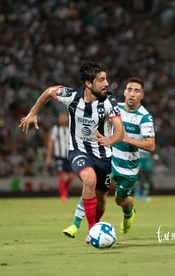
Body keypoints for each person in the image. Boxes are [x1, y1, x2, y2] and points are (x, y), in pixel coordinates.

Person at [19, 61, 124, 235]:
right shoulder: (72, 96)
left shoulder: (109, 102)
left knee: (101, 200)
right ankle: (91, 232)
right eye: (101, 80)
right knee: (89, 180)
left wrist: (111, 139)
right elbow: (49, 92)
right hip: (78, 150)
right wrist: (33, 113)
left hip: (104, 155)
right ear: (88, 84)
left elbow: (120, 130)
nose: (106, 83)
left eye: (106, 79)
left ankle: (95, 226)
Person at [62, 77, 155, 240]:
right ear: (124, 92)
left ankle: (128, 211)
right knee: (90, 183)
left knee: (121, 200)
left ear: (142, 95)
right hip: (108, 159)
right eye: (129, 89)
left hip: (128, 167)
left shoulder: (145, 117)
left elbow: (151, 145)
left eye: (137, 91)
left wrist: (126, 138)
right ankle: (76, 225)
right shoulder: (113, 107)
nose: (132, 94)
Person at [44, 112, 76, 202]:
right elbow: (51, 143)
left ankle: (64, 190)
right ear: (58, 119)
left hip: (69, 156)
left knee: (71, 175)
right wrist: (49, 156)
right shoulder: (55, 129)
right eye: (61, 117)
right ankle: (63, 195)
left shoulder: (70, 129)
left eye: (64, 117)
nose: (63, 118)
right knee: (61, 175)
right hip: (59, 156)